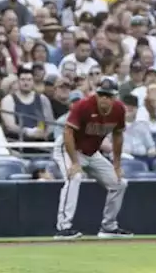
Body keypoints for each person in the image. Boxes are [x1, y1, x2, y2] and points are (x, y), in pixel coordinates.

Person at [52, 78, 132, 240]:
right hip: (69, 148)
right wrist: (74, 162)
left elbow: (118, 135)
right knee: (74, 177)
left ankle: (108, 227)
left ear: (114, 97)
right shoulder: (83, 105)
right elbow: (68, 133)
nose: (104, 98)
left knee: (119, 183)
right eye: (101, 94)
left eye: (108, 96)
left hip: (92, 153)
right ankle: (63, 228)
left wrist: (116, 164)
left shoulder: (118, 110)